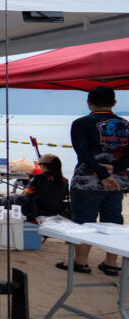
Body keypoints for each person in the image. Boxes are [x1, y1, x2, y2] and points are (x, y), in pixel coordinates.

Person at [58, 86, 129, 276]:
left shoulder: (81, 123)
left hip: (87, 181)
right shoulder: (126, 125)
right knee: (113, 221)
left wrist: (102, 174)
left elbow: (83, 153)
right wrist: (114, 169)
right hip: (117, 181)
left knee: (84, 220)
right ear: (114, 103)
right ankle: (111, 262)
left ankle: (81, 262)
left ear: (89, 102)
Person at [0, 154, 68, 221]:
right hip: (55, 211)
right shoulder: (65, 181)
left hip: (36, 212)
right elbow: (64, 195)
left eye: (40, 164)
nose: (39, 166)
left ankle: (1, 222)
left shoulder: (38, 178)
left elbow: (24, 194)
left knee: (5, 200)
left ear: (44, 165)